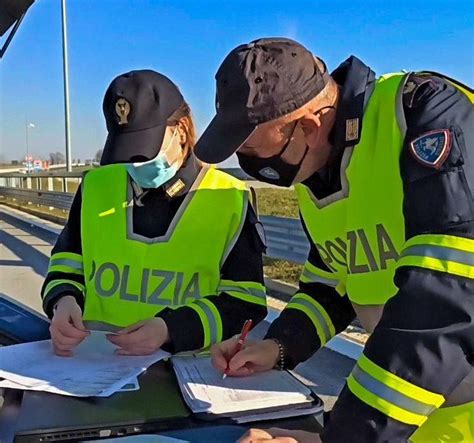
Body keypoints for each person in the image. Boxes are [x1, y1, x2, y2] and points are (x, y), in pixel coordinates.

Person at [194, 38, 474, 442]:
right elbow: (332, 284)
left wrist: (342, 437)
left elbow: (446, 298)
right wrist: (278, 346)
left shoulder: (424, 115)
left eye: (257, 153)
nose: (254, 168)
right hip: (414, 408)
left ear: (308, 126)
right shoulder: (315, 165)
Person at [41, 69, 267, 357]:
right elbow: (67, 262)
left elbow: (246, 302)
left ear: (181, 132)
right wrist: (63, 301)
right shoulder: (95, 186)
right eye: (127, 152)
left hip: (183, 374)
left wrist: (172, 329)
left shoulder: (229, 198)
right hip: (95, 365)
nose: (135, 166)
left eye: (144, 153)